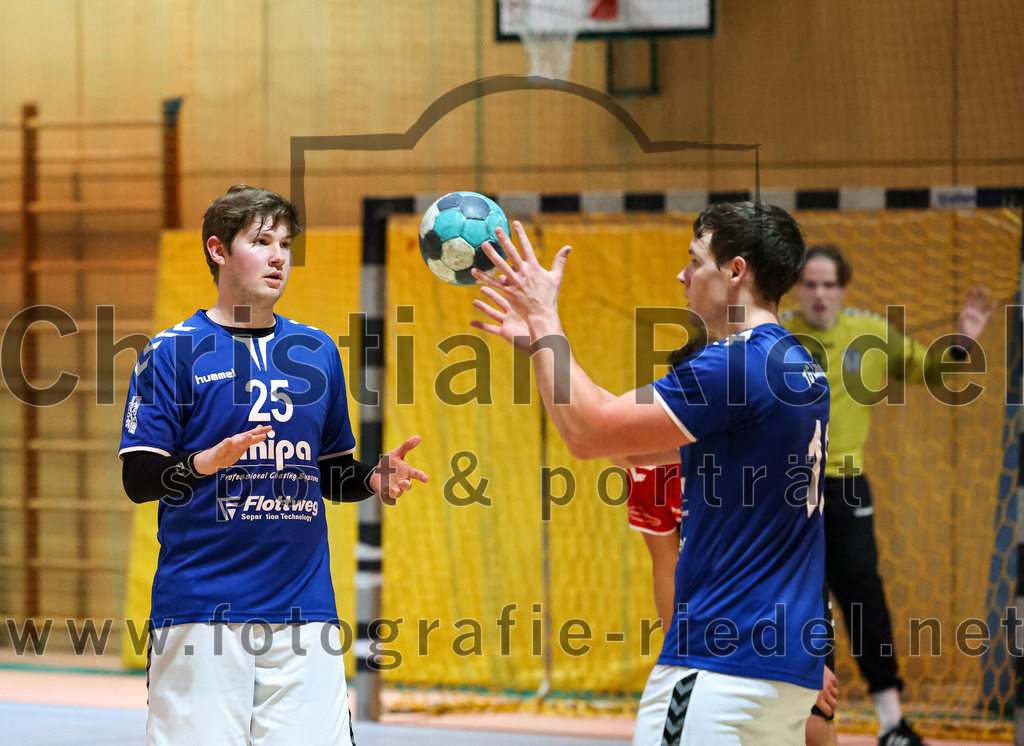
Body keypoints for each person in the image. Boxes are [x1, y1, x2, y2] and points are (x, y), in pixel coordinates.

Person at [472, 202, 831, 745]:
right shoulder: (801, 367)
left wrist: (547, 318)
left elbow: (589, 432)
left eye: (695, 261)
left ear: (736, 271)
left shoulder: (732, 364)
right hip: (787, 671)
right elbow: (636, 452)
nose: (681, 276)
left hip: (720, 659)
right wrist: (544, 353)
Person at [118, 184, 428, 744]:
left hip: (304, 612)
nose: (279, 257)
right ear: (217, 249)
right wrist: (203, 464)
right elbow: (139, 481)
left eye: (285, 243)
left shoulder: (316, 351)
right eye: (261, 242)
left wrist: (370, 478)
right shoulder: (172, 352)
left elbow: (331, 472)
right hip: (201, 610)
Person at [782, 244, 995, 746]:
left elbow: (930, 371)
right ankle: (813, 723)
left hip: (846, 484)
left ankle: (892, 723)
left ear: (844, 289)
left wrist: (963, 340)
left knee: (862, 597)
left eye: (828, 284)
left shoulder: (870, 333)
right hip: (787, 488)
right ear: (797, 288)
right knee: (802, 604)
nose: (818, 293)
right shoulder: (776, 334)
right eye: (809, 283)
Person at [622, 338, 839, 746]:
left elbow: (794, 556)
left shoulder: (761, 451)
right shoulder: (651, 470)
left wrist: (814, 658)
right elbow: (666, 566)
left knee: (817, 723)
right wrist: (680, 652)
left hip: (787, 605)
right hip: (715, 625)